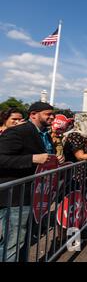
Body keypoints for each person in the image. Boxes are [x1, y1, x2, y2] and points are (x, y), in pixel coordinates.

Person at [0, 102, 56, 262]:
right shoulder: (19, 132)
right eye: (47, 114)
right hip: (15, 196)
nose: (51, 117)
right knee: (13, 243)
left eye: (52, 114)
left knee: (21, 241)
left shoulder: (42, 133)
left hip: (31, 194)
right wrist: (32, 159)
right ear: (33, 114)